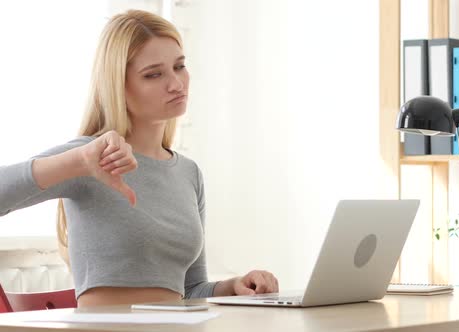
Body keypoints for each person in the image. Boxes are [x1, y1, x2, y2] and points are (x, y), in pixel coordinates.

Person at [0, 9, 278, 307]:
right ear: (117, 84)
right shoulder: (90, 157)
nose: (176, 83)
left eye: (179, 66)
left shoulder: (188, 173)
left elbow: (191, 289)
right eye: (153, 74)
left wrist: (234, 286)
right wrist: (78, 162)